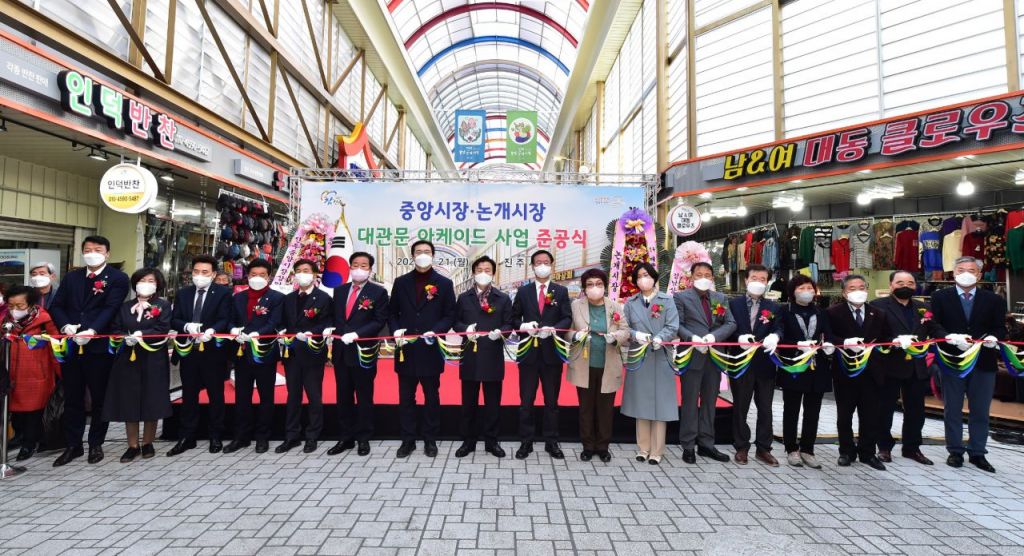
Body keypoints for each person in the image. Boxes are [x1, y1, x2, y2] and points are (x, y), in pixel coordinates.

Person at [49, 235, 130, 466]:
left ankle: (96, 443)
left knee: (98, 397)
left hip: (98, 347)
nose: (91, 253)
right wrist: (65, 326)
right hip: (72, 344)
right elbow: (57, 305)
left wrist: (92, 330)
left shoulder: (117, 278)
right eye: (87, 249)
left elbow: (111, 307)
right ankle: (73, 445)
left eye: (97, 249)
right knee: (72, 396)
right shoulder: (72, 277)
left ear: (107, 254)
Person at [930, 256, 1007, 473]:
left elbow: (1000, 328)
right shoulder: (940, 297)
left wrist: (993, 338)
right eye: (961, 269)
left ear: (979, 275)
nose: (966, 274)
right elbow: (933, 324)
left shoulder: (994, 300)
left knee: (980, 410)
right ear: (953, 273)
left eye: (971, 270)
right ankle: (955, 450)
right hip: (952, 360)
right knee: (952, 408)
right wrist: (949, 337)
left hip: (983, 361)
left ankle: (977, 452)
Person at [387, 240, 456, 458]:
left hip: (430, 349)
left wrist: (436, 331)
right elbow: (392, 312)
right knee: (406, 398)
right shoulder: (401, 282)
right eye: (418, 252)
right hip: (405, 350)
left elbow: (449, 315)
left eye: (427, 251)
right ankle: (408, 440)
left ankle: (430, 439)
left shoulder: (444, 283)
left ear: (433, 255)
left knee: (431, 396)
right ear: (412, 255)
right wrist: (396, 331)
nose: (422, 255)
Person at [103, 268, 173, 463]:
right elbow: (115, 328)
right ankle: (132, 445)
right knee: (129, 399)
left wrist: (143, 335)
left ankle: (148, 442)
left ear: (158, 284)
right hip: (128, 358)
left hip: (153, 357)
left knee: (152, 398)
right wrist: (125, 337)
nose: (146, 283)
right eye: (142, 280)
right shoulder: (125, 306)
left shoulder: (163, 305)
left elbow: (163, 328)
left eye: (151, 280)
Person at [869, 271, 937, 465]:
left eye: (910, 282)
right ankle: (884, 447)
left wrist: (949, 336)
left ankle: (912, 447)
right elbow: (872, 334)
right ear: (891, 285)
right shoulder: (877, 305)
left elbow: (934, 328)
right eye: (900, 282)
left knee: (916, 410)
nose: (905, 286)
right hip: (889, 364)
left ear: (915, 285)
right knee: (884, 408)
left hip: (916, 365)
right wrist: (893, 341)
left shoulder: (924, 307)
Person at [168, 255, 233, 456]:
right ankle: (187, 436)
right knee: (189, 394)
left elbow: (225, 318)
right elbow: (174, 319)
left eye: (205, 272)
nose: (199, 275)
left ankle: (215, 435)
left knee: (215, 394)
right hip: (188, 350)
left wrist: (212, 330)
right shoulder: (183, 293)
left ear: (213, 274)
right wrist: (186, 326)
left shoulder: (223, 293)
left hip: (212, 351)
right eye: (196, 271)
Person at [511, 250, 572, 460]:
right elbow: (513, 318)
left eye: (546, 262)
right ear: (532, 266)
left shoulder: (560, 291)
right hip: (528, 353)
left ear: (552, 265)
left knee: (551, 402)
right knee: (526, 401)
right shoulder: (523, 291)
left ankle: (551, 442)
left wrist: (554, 329)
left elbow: (567, 318)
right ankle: (525, 441)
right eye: (538, 262)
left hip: (551, 354)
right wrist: (523, 326)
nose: (542, 266)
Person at [673, 261, 736, 464]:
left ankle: (707, 444)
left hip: (714, 356)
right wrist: (692, 338)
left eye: (707, 275)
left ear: (712, 278)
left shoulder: (720, 298)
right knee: (690, 402)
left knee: (710, 401)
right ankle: (688, 445)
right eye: (699, 274)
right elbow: (677, 324)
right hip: (692, 355)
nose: (703, 278)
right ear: (691, 277)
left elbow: (730, 323)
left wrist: (714, 337)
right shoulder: (681, 297)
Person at [826, 274, 890, 471]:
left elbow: (886, 339)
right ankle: (846, 451)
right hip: (845, 371)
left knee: (870, 414)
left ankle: (867, 452)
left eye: (861, 287)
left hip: (872, 372)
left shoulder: (878, 313)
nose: (858, 291)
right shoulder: (833, 312)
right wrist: (844, 343)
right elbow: (827, 336)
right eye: (852, 288)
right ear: (844, 292)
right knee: (844, 414)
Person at [327, 252, 389, 457]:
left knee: (364, 396)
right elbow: (335, 317)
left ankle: (364, 438)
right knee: (343, 397)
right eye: (355, 265)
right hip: (341, 352)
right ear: (350, 267)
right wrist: (329, 329)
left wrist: (358, 334)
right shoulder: (339, 291)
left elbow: (379, 321)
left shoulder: (378, 292)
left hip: (364, 352)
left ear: (370, 270)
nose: (359, 269)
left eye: (364, 265)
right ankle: (346, 437)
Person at [566, 269, 630, 462]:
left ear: (605, 286)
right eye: (590, 284)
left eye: (599, 284)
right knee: (585, 408)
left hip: (608, 364)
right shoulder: (576, 306)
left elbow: (625, 330)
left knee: (605, 409)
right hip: (583, 364)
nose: (595, 288)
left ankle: (603, 446)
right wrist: (575, 336)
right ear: (584, 288)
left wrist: (615, 337)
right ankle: (587, 446)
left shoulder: (615, 306)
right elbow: (566, 330)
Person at [453, 256, 513, 458]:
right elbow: (455, 322)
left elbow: (509, 323)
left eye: (488, 270)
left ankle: (491, 442)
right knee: (468, 403)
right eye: (479, 270)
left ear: (493, 273)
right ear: (473, 273)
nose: (483, 273)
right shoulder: (464, 298)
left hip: (492, 356)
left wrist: (501, 332)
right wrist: (465, 329)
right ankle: (468, 441)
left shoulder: (502, 298)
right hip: (469, 355)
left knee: (492, 404)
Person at [223, 259, 285, 455]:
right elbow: (230, 320)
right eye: (253, 275)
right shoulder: (238, 297)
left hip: (264, 353)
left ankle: (262, 437)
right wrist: (233, 329)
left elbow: (274, 322)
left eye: (262, 275)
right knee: (242, 397)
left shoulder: (277, 298)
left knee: (266, 397)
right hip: (241, 353)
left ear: (269, 277)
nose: (257, 278)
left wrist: (258, 333)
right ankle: (241, 436)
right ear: (247, 276)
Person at [620, 263, 678, 465]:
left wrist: (661, 337)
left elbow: (673, 325)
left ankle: (657, 450)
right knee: (641, 401)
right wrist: (636, 334)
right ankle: (643, 448)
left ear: (654, 277)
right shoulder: (631, 302)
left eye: (646, 275)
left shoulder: (667, 300)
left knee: (661, 403)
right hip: (639, 355)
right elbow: (625, 327)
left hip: (661, 355)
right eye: (639, 276)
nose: (643, 279)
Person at [775, 275, 832, 469]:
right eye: (801, 288)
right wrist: (797, 344)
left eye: (809, 288)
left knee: (813, 411)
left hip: (817, 367)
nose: (806, 291)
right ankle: (791, 448)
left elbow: (828, 333)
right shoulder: (785, 311)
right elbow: (780, 337)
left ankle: (808, 449)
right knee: (791, 409)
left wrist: (829, 345)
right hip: (794, 366)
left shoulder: (821, 312)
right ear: (793, 292)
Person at [276, 259, 333, 454]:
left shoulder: (323, 298)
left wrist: (313, 332)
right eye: (298, 270)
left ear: (315, 274)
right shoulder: (288, 298)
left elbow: (328, 322)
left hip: (312, 354)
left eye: (306, 270)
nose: (302, 274)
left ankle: (312, 435)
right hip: (291, 354)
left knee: (314, 395)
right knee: (293, 396)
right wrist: (281, 331)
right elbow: (282, 321)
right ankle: (291, 435)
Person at [727, 264, 782, 466]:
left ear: (767, 282)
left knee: (765, 408)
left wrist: (775, 336)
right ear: (746, 280)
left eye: (762, 279)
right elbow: (726, 328)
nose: (758, 282)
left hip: (765, 364)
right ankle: (741, 447)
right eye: (754, 278)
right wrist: (738, 337)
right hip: (740, 362)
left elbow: (780, 328)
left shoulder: (774, 307)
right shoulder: (733, 304)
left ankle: (764, 448)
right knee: (740, 407)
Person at [4, 285, 59, 461]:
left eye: (20, 306)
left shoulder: (43, 320)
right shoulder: (6, 321)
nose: (15, 309)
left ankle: (29, 443)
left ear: (31, 304)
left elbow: (56, 346)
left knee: (33, 412)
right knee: (16, 411)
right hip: (12, 373)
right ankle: (19, 437)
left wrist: (60, 372)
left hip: (36, 374)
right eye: (11, 305)